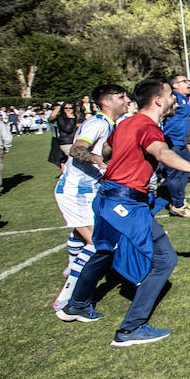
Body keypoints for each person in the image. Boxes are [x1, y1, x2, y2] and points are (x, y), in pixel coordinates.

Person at [57, 78, 190, 346]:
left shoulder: (125, 123)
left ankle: (77, 305)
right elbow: (161, 152)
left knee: (104, 251)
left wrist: (115, 161)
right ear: (159, 100)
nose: (176, 99)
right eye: (171, 95)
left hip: (107, 197)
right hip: (126, 202)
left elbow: (107, 147)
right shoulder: (147, 126)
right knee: (164, 260)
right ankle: (131, 328)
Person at [52, 85, 129, 311]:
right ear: (106, 102)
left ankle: (72, 262)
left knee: (85, 235)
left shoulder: (111, 124)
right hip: (76, 191)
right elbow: (76, 150)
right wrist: (98, 160)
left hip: (90, 190)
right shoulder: (97, 123)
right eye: (120, 97)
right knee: (97, 244)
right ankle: (67, 297)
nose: (126, 100)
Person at [161, 74, 190, 218]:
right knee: (175, 174)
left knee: (185, 170)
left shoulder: (184, 98)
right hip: (171, 142)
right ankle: (177, 205)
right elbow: (163, 111)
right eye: (184, 81)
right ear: (174, 85)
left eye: (187, 80)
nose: (188, 83)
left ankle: (180, 199)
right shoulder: (174, 98)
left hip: (181, 142)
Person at [46, 100, 80, 172]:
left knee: (67, 161)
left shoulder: (76, 116)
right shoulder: (61, 118)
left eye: (70, 108)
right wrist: (71, 119)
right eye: (66, 108)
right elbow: (67, 129)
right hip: (66, 142)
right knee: (74, 161)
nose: (68, 110)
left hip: (75, 141)